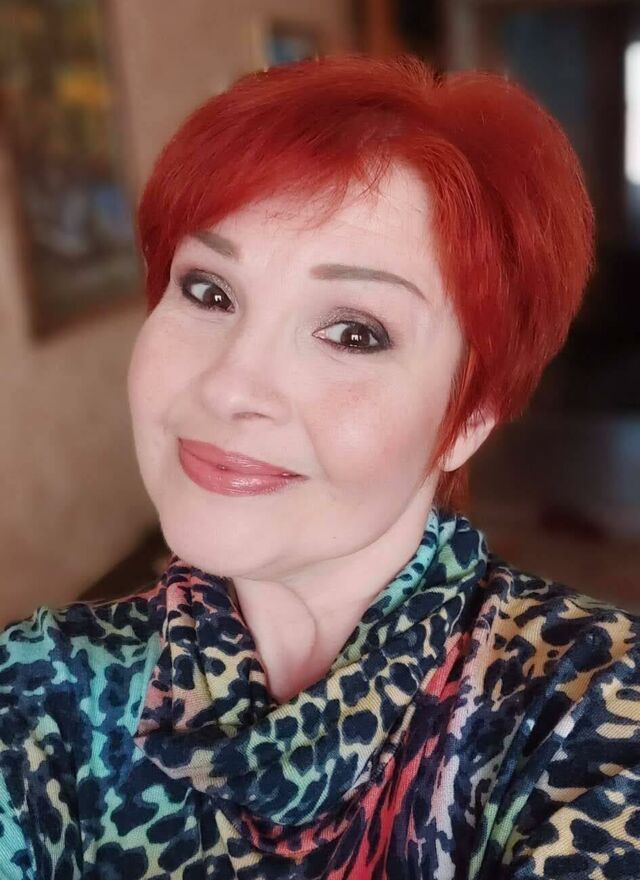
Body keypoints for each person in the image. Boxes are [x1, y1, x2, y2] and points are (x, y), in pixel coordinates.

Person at [1, 53, 638, 880]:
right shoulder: (40, 688)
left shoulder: (590, 709)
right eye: (208, 291)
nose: (230, 386)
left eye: (353, 333)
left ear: (467, 419)